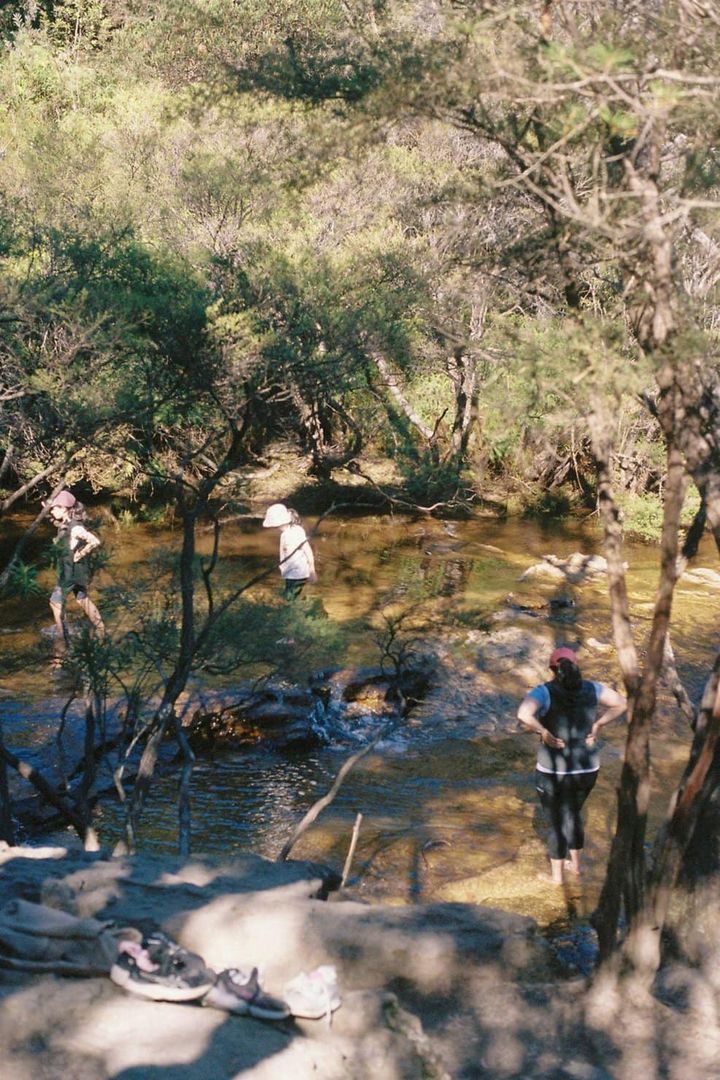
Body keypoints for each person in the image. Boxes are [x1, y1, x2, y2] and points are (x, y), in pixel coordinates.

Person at [517, 646, 627, 885]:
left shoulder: (544, 692)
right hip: (588, 769)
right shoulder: (593, 688)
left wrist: (543, 731)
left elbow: (523, 714)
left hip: (554, 771)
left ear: (552, 669)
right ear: (576, 666)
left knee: (556, 821)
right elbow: (621, 704)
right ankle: (576, 867)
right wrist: (598, 725)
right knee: (573, 815)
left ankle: (556, 878)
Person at [44, 490, 105, 639]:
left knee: (55, 602)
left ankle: (60, 636)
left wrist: (80, 554)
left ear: (65, 508)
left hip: (70, 572)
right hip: (75, 570)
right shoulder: (65, 523)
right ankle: (101, 629)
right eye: (52, 508)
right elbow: (56, 523)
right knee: (82, 599)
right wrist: (45, 510)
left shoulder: (75, 527)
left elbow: (95, 541)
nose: (52, 511)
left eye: (55, 508)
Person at [262, 503, 317, 598]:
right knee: (294, 596)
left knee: (289, 599)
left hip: (297, 574)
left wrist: (312, 570)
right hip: (291, 574)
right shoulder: (285, 534)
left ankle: (296, 610)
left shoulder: (296, 532)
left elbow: (308, 550)